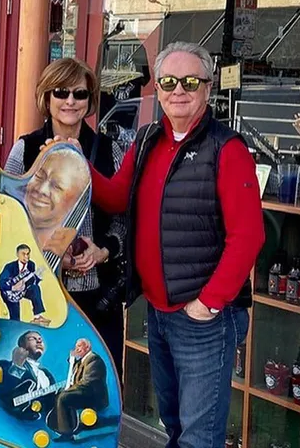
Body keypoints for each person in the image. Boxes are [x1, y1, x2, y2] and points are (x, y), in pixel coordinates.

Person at [77, 42, 265, 447]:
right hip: (159, 313)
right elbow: (114, 196)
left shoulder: (227, 150)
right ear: (157, 89)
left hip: (203, 318)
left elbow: (249, 235)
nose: (178, 90)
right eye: (168, 81)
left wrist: (209, 303)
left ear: (207, 88)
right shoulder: (147, 140)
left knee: (199, 436)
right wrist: (74, 161)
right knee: (175, 427)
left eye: (190, 81)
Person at [4, 57, 127, 375]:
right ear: (46, 98)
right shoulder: (26, 148)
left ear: (90, 101)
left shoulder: (110, 149)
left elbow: (125, 216)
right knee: (45, 382)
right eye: (60, 92)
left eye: (80, 94)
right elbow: (8, 215)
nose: (70, 101)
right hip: (40, 293)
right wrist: (50, 252)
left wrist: (103, 251)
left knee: (99, 385)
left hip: (98, 295)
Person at [49, 339, 109, 440]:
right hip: (83, 392)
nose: (77, 349)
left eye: (80, 346)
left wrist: (69, 390)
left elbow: (87, 382)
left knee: (63, 397)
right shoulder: (80, 362)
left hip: (92, 395)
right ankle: (64, 424)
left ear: (87, 347)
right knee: (59, 393)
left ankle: (66, 433)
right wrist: (72, 360)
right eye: (76, 346)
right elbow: (73, 377)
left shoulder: (94, 360)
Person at [0, 331, 57, 418]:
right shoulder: (4, 365)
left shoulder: (46, 374)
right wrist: (17, 367)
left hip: (38, 424)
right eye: (32, 339)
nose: (39, 341)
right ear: (22, 345)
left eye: (40, 339)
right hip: (9, 421)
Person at [0, 244, 48, 325]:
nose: (26, 256)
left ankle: (37, 317)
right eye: (23, 254)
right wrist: (13, 287)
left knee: (35, 288)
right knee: (15, 319)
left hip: (23, 290)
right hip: (9, 294)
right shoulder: (10, 267)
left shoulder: (31, 265)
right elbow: (0, 282)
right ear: (17, 254)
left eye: (28, 254)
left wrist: (37, 278)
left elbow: (31, 282)